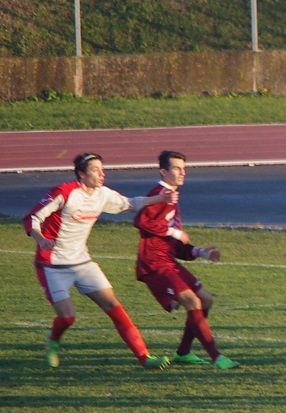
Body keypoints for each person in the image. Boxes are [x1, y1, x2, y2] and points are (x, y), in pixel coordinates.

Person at [24, 152, 177, 369]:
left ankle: (145, 357)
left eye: (102, 169)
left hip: (82, 262)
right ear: (81, 174)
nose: (101, 174)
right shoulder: (65, 192)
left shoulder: (102, 194)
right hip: (52, 265)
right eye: (96, 170)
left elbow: (129, 203)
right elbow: (33, 217)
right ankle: (53, 342)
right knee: (67, 318)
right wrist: (41, 239)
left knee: (114, 306)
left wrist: (160, 198)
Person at [132, 150, 237, 369]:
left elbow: (176, 246)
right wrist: (175, 233)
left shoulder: (172, 197)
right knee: (193, 302)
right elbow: (141, 221)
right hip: (154, 264)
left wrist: (201, 252)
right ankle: (217, 357)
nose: (182, 173)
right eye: (177, 168)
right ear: (163, 171)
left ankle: (183, 352)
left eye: (184, 168)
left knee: (206, 300)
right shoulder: (160, 193)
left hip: (168, 261)